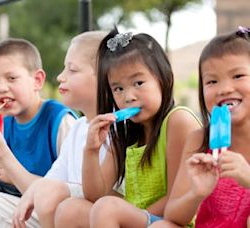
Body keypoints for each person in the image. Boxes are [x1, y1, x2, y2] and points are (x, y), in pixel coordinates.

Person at [54, 28, 202, 228]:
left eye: (138, 83)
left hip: (171, 222)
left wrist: (126, 216)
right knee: (70, 210)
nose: (128, 96)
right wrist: (91, 149)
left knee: (107, 208)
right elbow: (95, 195)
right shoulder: (125, 131)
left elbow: (175, 200)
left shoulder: (179, 122)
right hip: (137, 218)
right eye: (118, 88)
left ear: (164, 78)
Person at [0, 38, 77, 227]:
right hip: (21, 200)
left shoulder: (59, 121)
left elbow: (71, 188)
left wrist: (11, 171)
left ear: (37, 81)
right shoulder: (5, 121)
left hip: (55, 209)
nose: (1, 88)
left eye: (11, 78)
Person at [0, 31, 107, 228]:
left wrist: (44, 190)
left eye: (72, 70)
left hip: (90, 213)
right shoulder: (79, 127)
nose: (61, 77)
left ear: (105, 77)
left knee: (50, 194)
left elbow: (102, 193)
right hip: (60, 210)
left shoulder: (116, 130)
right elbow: (52, 177)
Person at [154, 27, 250, 228]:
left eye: (238, 76)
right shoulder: (199, 140)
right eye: (212, 81)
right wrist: (196, 193)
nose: (224, 89)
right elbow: (173, 216)